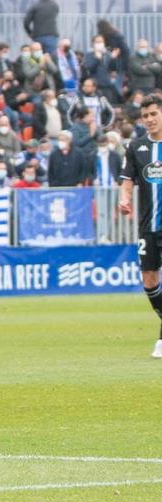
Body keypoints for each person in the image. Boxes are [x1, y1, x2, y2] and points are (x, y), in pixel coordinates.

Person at [114, 96, 162, 359]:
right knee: (149, 280)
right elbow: (127, 179)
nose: (150, 119)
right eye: (146, 116)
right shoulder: (137, 146)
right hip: (149, 226)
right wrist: (124, 198)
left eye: (154, 114)